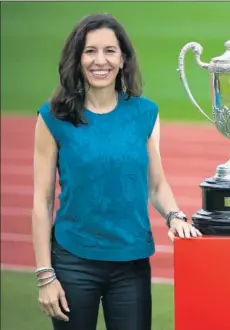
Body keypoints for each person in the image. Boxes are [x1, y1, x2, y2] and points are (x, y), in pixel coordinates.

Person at [31, 13, 201, 330]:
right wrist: (45, 275)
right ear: (77, 58)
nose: (100, 61)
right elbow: (41, 202)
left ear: (123, 59)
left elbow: (157, 184)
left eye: (110, 50)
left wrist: (175, 215)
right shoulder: (53, 117)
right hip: (73, 262)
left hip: (131, 264)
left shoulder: (145, 113)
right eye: (90, 50)